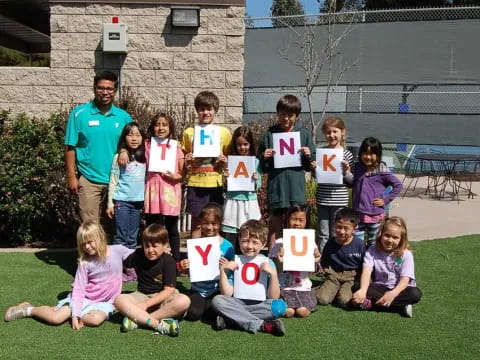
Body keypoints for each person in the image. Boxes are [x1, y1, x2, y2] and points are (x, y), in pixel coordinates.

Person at [4, 221, 133, 330]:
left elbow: (137, 257)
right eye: (83, 244)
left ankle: (60, 310)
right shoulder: (85, 262)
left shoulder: (118, 250)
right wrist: (75, 314)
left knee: (95, 320)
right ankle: (29, 309)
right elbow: (79, 288)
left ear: (101, 237)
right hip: (84, 299)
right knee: (56, 318)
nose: (87, 247)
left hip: (107, 301)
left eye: (90, 242)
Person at [64, 71, 132, 223]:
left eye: (109, 89)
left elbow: (133, 144)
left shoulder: (124, 117)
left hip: (119, 180)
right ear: (94, 88)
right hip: (89, 180)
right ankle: (91, 248)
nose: (105, 92)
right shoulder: (79, 114)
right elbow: (70, 147)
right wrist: (71, 176)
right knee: (90, 226)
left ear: (115, 91)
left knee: (118, 227)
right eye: (101, 88)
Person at [258, 94, 315, 249]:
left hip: (296, 188)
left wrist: (308, 155)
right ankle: (273, 262)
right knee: (275, 225)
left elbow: (311, 166)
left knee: (296, 225)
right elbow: (261, 166)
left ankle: (295, 263)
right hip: (277, 187)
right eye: (283, 114)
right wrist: (265, 157)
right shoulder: (270, 134)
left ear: (296, 116)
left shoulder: (303, 134)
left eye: (290, 115)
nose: (286, 119)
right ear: (278, 114)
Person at [114, 224, 191, 336]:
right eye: (147, 246)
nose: (150, 250)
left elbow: (169, 290)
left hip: (163, 297)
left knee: (184, 301)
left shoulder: (168, 260)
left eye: (155, 246)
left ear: (165, 245)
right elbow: (122, 264)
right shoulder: (139, 254)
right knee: (119, 299)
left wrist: (146, 304)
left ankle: (139, 320)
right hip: (141, 294)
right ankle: (157, 324)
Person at [212, 219, 285, 336]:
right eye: (245, 241)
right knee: (217, 300)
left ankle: (232, 319)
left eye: (255, 242)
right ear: (239, 240)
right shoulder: (235, 260)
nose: (249, 246)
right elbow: (227, 294)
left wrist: (274, 275)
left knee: (279, 306)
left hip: (260, 305)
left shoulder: (268, 262)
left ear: (264, 243)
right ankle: (262, 325)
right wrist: (223, 272)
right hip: (237, 303)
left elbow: (273, 297)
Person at [181, 91, 232, 238]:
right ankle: (195, 258)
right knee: (197, 222)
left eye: (209, 109)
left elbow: (230, 159)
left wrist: (225, 161)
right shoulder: (189, 132)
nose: (206, 112)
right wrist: (187, 160)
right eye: (202, 109)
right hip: (195, 183)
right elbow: (184, 160)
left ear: (215, 110)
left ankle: (215, 257)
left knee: (215, 222)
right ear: (197, 111)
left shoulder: (224, 132)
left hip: (215, 183)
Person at [352, 216, 422, 317]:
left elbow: (405, 280)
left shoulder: (406, 254)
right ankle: (400, 307)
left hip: (399, 290)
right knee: (358, 286)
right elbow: (366, 271)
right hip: (381, 287)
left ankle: (371, 304)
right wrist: (363, 290)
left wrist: (392, 294)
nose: (390, 240)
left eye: (395, 237)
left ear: (401, 239)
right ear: (381, 234)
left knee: (415, 294)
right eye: (387, 235)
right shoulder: (372, 250)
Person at [179, 203, 234, 322]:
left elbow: (231, 275)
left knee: (213, 312)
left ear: (220, 223)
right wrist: (185, 267)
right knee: (193, 314)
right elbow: (191, 272)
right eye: (205, 223)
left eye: (214, 224)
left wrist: (226, 268)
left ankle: (215, 313)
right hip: (198, 290)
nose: (209, 227)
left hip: (216, 289)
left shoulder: (227, 246)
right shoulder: (195, 245)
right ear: (200, 223)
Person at [143, 113, 184, 263]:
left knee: (172, 228)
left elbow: (182, 172)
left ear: (170, 127)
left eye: (164, 125)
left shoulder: (176, 146)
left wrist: (176, 177)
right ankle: (152, 258)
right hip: (153, 190)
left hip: (170, 191)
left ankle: (176, 260)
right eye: (157, 124)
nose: (161, 128)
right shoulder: (146, 144)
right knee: (153, 226)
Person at [311, 116, 355, 252]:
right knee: (323, 234)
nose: (332, 135)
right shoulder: (321, 153)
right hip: (323, 199)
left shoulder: (347, 154)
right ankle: (323, 264)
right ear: (324, 134)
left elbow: (351, 181)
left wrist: (346, 171)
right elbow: (317, 177)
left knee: (336, 233)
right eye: (328, 132)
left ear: (343, 132)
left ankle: (335, 261)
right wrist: (314, 170)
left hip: (339, 200)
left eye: (335, 131)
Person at [349, 137, 403, 247]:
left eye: (371, 154)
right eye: (365, 153)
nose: (368, 157)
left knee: (373, 243)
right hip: (357, 214)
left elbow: (398, 185)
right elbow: (349, 179)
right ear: (360, 153)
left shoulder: (381, 170)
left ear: (378, 155)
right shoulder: (357, 167)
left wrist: (385, 200)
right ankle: (359, 262)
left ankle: (371, 263)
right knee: (356, 242)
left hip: (374, 215)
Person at [270, 205, 320, 318]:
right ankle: (289, 306)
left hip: (303, 286)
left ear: (306, 222)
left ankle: (303, 306)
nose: (297, 223)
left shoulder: (310, 242)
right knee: (288, 312)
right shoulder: (279, 242)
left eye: (301, 220)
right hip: (284, 287)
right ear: (287, 220)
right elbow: (273, 268)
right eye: (294, 219)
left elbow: (312, 271)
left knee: (302, 311)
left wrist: (315, 259)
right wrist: (279, 260)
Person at [314, 208, 365, 308]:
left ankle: (339, 291)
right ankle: (322, 289)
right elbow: (324, 260)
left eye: (346, 228)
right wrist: (326, 271)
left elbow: (365, 265)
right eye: (338, 227)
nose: (341, 231)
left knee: (344, 300)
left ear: (354, 229)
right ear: (334, 225)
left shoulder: (360, 244)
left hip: (352, 277)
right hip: (334, 275)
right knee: (322, 299)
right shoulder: (330, 243)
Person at [106, 122, 146, 249]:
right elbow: (113, 181)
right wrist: (110, 204)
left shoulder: (146, 157)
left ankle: (130, 267)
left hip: (138, 203)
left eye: (138, 135)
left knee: (132, 237)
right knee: (121, 236)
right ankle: (117, 266)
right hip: (122, 202)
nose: (134, 138)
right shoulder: (119, 157)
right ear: (124, 138)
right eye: (130, 135)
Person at [222, 126, 262, 251]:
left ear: (250, 144)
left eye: (245, 144)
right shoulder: (230, 162)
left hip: (249, 202)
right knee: (231, 237)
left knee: (250, 235)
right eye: (239, 144)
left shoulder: (255, 162)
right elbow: (225, 187)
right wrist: (225, 177)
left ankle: (247, 263)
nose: (242, 147)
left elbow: (258, 186)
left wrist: (256, 179)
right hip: (233, 202)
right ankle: (228, 264)